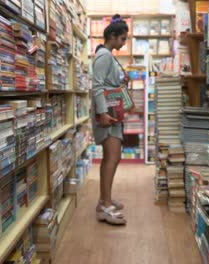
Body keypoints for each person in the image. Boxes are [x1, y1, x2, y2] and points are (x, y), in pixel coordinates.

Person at [92, 14, 129, 225]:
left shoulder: (108, 55)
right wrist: (103, 113)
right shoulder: (104, 55)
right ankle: (104, 206)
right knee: (112, 157)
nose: (124, 43)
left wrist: (121, 79)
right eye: (122, 39)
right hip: (107, 113)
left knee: (111, 157)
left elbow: (107, 82)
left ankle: (104, 200)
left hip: (111, 111)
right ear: (112, 36)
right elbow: (97, 86)